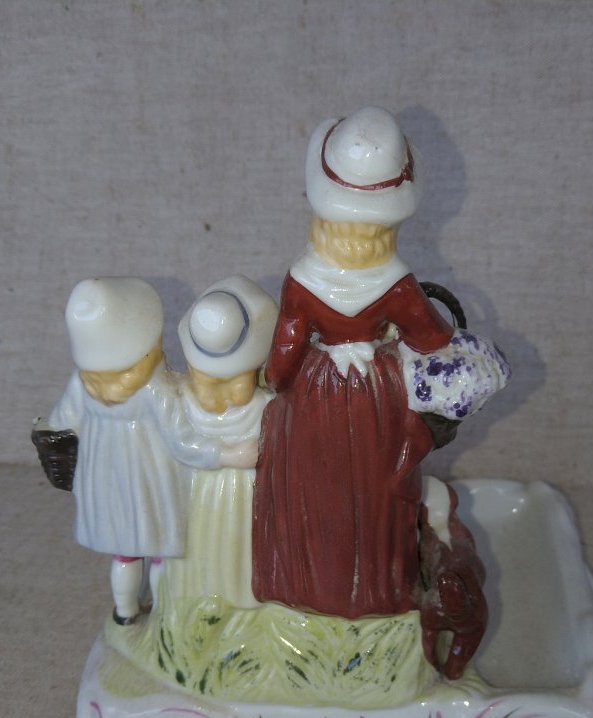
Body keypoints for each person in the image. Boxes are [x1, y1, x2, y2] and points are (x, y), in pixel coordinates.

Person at [251, 106, 456, 618]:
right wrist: (393, 336)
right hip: (373, 394)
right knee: (372, 491)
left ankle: (309, 589)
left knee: (315, 492)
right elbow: (432, 336)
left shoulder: (303, 279)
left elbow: (285, 353)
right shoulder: (397, 281)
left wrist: (273, 381)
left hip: (316, 392)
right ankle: (374, 591)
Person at [35, 277, 230, 624]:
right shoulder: (156, 388)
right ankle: (161, 612)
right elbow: (182, 440)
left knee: (124, 555)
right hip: (150, 484)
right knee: (160, 555)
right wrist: (223, 454)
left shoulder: (83, 383)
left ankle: (124, 611)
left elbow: (62, 422)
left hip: (106, 485)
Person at [165, 275, 277, 607]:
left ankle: (244, 598)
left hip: (248, 492)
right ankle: (199, 597)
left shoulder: (263, 404)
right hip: (200, 489)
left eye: (235, 378)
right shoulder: (182, 402)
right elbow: (180, 443)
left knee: (241, 542)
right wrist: (226, 455)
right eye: (207, 376)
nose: (220, 387)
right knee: (203, 541)